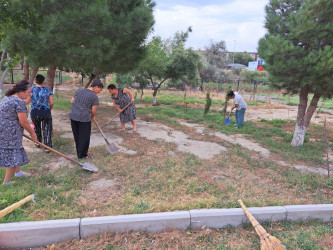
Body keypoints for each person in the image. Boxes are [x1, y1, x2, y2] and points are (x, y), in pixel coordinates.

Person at [0, 80, 37, 185]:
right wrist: (32, 133)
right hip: (11, 133)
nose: (29, 94)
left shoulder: (7, 98)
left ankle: (18, 173)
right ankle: (6, 182)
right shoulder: (19, 102)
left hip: (3, 131)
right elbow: (24, 122)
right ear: (21, 91)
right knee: (12, 155)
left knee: (11, 152)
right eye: (28, 92)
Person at [69, 79, 103, 159]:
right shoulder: (94, 96)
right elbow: (93, 111)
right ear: (96, 87)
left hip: (73, 116)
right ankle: (83, 155)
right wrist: (92, 116)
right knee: (84, 137)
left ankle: (79, 153)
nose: (99, 92)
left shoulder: (80, 90)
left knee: (77, 135)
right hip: (84, 118)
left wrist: (79, 106)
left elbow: (72, 101)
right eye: (100, 90)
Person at [26, 74, 54, 152]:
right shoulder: (48, 90)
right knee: (47, 129)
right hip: (45, 112)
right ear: (43, 81)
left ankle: (38, 142)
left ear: (35, 81)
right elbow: (51, 103)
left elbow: (27, 102)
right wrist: (49, 109)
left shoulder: (31, 90)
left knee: (36, 127)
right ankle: (47, 147)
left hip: (35, 112)